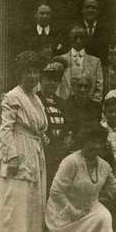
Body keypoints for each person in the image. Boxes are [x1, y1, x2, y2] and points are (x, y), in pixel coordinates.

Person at [0, 51, 48, 232]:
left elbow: (35, 126)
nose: (32, 76)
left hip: (33, 151)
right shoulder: (13, 96)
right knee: (16, 204)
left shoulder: (35, 98)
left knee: (30, 203)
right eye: (28, 72)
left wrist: (42, 137)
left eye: (35, 72)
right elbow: (6, 129)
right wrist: (12, 157)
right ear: (20, 74)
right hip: (18, 152)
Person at [45, 125, 116, 232]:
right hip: (64, 211)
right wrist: (72, 211)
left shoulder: (104, 166)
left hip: (89, 206)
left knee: (103, 216)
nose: (95, 145)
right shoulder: (71, 162)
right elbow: (55, 192)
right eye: (91, 141)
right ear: (83, 141)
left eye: (99, 142)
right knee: (99, 217)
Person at [37, 56, 71, 191]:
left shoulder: (62, 103)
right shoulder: (36, 100)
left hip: (60, 151)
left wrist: (68, 136)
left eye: (56, 80)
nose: (52, 83)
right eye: (49, 80)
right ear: (41, 80)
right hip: (43, 152)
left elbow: (67, 125)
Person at [56, 24, 104, 103]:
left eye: (82, 37)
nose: (78, 40)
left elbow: (99, 88)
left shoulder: (96, 62)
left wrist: (93, 106)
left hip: (88, 108)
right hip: (65, 106)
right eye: (75, 37)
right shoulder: (60, 60)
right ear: (70, 39)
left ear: (86, 39)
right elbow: (57, 85)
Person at [65, 75, 101, 146]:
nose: (82, 89)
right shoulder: (66, 104)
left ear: (90, 89)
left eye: (86, 86)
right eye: (79, 86)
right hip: (71, 141)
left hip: (89, 142)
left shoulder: (96, 107)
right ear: (74, 87)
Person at [80, 0, 110, 66]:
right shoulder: (75, 29)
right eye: (87, 7)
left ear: (98, 11)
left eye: (94, 8)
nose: (90, 10)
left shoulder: (105, 29)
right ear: (82, 10)